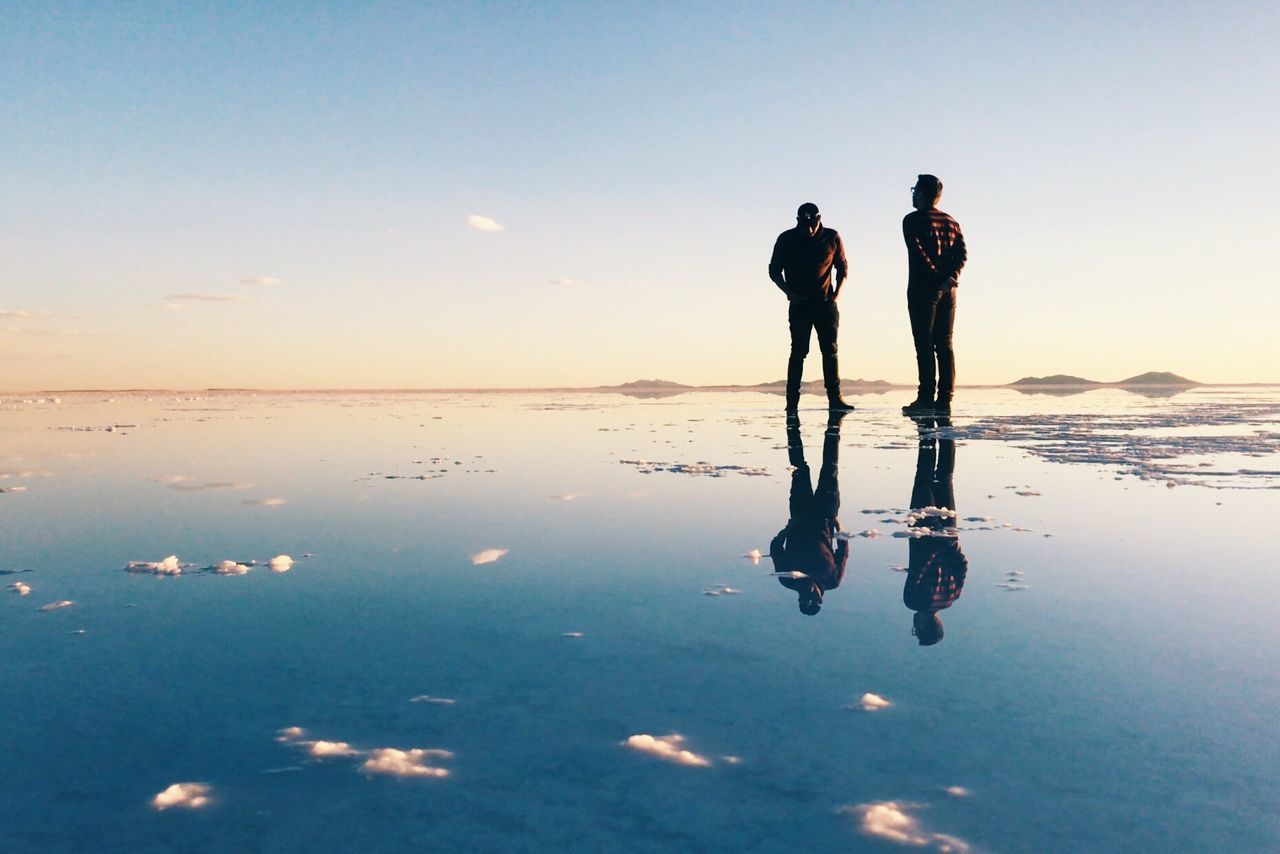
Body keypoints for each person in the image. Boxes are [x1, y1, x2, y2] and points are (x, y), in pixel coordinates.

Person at [769, 202, 854, 412]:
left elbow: (843, 268)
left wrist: (837, 294)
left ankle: (835, 399)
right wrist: (790, 293)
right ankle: (791, 401)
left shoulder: (832, 237)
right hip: (800, 306)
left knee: (830, 350)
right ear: (797, 221)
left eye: (811, 224)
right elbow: (773, 271)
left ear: (819, 219)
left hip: (826, 304)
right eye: (803, 224)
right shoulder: (786, 239)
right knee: (798, 351)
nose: (808, 229)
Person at [769, 411, 849, 615]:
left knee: (799, 468)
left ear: (800, 598)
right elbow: (843, 552)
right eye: (814, 594)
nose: (810, 590)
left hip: (801, 514)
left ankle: (792, 424)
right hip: (825, 515)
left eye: (806, 595)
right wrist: (839, 527)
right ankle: (834, 426)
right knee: (830, 468)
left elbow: (776, 547)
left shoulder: (788, 579)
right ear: (821, 597)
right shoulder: (832, 581)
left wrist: (789, 528)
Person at [901, 175, 967, 415]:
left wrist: (939, 280)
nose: (912, 194)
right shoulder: (951, 222)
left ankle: (926, 397)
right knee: (945, 344)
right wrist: (950, 278)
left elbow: (918, 254)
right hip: (948, 289)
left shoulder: (912, 221)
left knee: (925, 344)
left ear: (921, 194)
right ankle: (945, 399)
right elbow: (962, 255)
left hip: (923, 289)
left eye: (913, 190)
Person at [902, 415, 968, 645]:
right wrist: (937, 544)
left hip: (949, 533)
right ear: (921, 626)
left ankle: (945, 427)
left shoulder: (952, 597)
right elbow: (919, 567)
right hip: (924, 534)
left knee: (945, 479)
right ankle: (925, 428)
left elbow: (962, 564)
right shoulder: (913, 601)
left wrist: (950, 544)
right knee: (923, 478)